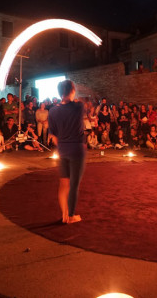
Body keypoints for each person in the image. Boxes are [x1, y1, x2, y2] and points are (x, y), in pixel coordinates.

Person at [48, 80, 86, 224]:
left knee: (64, 184)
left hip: (62, 149)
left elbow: (53, 136)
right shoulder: (78, 107)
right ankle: (70, 216)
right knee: (73, 185)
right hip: (76, 149)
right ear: (72, 90)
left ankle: (64, 214)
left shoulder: (52, 111)